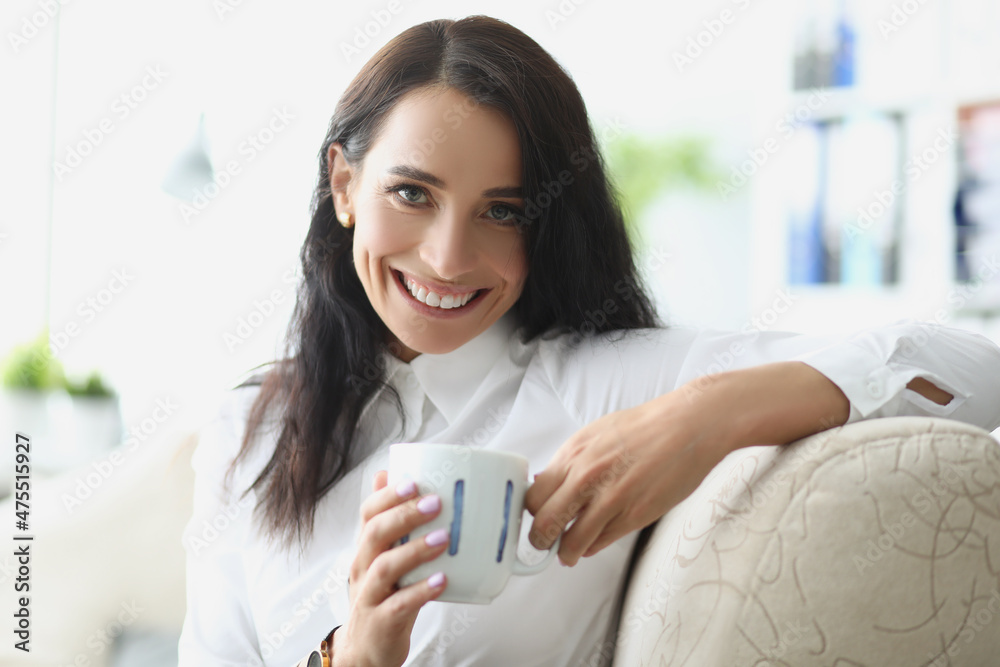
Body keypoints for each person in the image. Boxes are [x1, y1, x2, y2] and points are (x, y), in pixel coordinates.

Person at [176, 14, 1000, 667]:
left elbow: (973, 370)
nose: (448, 256)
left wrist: (705, 417)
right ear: (344, 184)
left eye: (503, 210)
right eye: (413, 192)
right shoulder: (251, 425)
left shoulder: (606, 388)